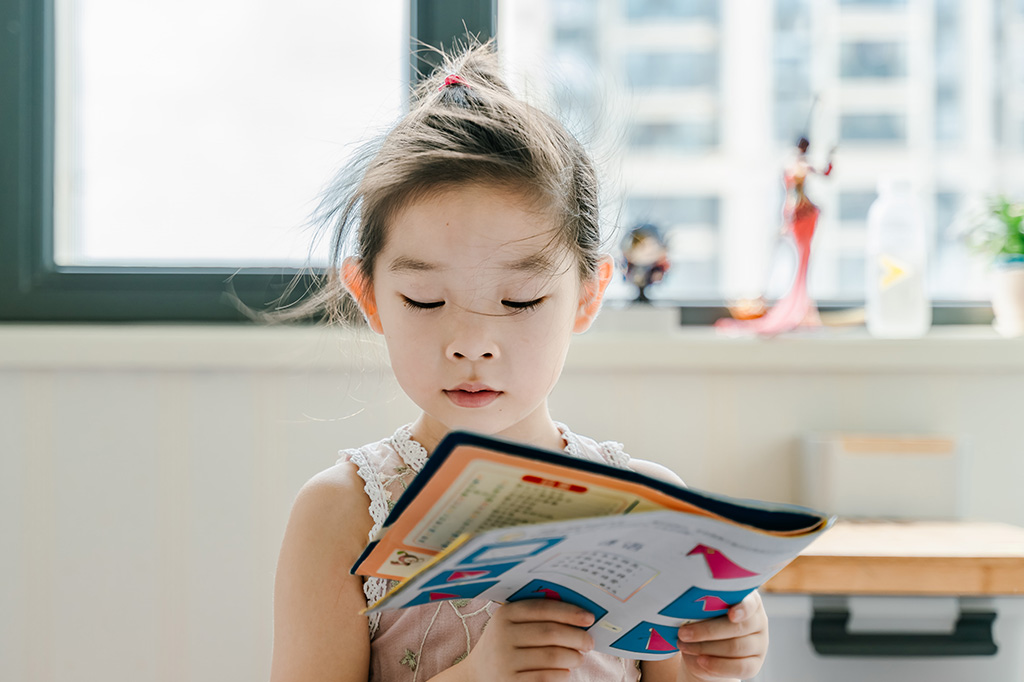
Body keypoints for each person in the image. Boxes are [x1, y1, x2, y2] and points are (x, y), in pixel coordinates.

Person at [270, 41, 768, 682]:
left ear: (587, 296)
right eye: (425, 300)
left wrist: (719, 660)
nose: (472, 342)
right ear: (368, 296)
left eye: (520, 299)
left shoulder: (648, 508)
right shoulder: (341, 515)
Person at [716, 136, 834, 336]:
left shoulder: (794, 166)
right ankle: (797, 308)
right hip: (799, 213)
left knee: (803, 261)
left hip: (798, 213)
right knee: (800, 261)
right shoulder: (797, 167)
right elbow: (816, 177)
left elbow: (824, 173)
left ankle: (801, 308)